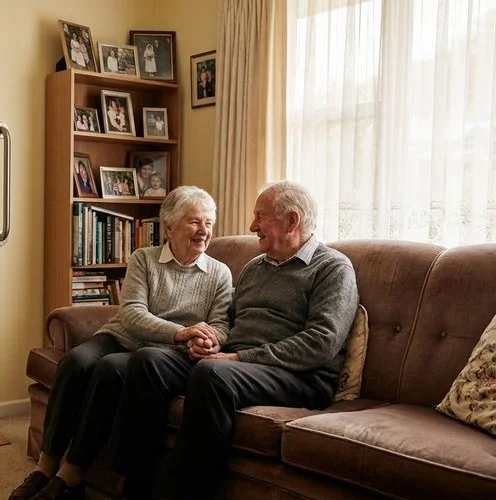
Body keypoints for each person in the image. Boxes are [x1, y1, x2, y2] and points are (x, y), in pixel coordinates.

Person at [110, 180, 359, 499]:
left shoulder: (333, 268)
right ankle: (131, 484)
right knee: (150, 361)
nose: (252, 225)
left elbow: (320, 344)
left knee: (212, 374)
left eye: (261, 216)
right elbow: (229, 319)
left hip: (299, 376)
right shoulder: (256, 266)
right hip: (237, 364)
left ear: (292, 220)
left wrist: (239, 359)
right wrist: (211, 341)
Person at [8, 186, 233, 500]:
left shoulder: (219, 274)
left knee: (111, 370)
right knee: (76, 362)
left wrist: (210, 341)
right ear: (169, 227)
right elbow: (132, 315)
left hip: (158, 353)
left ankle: (72, 473)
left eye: (209, 223)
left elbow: (221, 325)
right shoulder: (145, 259)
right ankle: (44, 467)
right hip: (121, 337)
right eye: (195, 222)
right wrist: (182, 332)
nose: (204, 231)